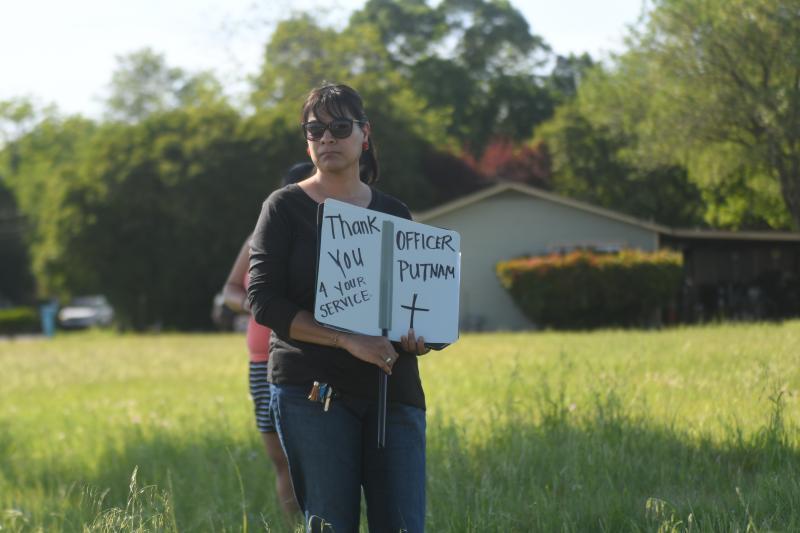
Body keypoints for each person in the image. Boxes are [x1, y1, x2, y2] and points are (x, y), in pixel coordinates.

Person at [247, 83, 432, 532]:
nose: (327, 137)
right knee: (330, 524)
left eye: (340, 127)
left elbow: (416, 301)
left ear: (364, 135)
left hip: (392, 390)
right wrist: (347, 340)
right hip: (312, 392)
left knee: (404, 525)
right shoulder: (283, 207)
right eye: (315, 130)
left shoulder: (394, 213)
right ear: (307, 141)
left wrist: (420, 334)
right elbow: (263, 301)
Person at [222, 163, 313, 521]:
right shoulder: (258, 237)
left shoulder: (331, 237)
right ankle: (295, 526)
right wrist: (255, 304)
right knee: (281, 460)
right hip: (262, 362)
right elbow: (230, 289)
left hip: (310, 358)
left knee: (315, 456)